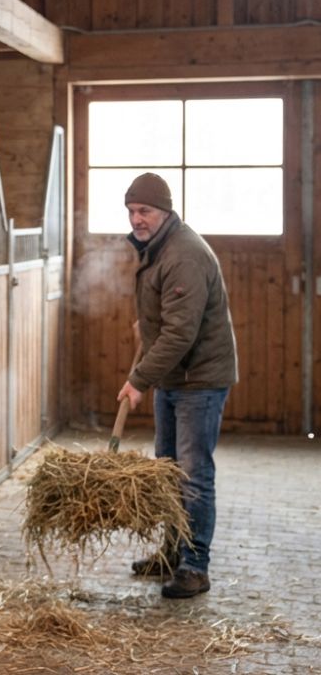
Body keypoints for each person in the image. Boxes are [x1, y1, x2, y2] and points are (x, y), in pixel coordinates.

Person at [116, 172, 238, 599]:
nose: (136, 219)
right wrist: (146, 323)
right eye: (131, 211)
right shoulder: (159, 246)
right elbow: (170, 315)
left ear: (165, 211)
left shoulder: (184, 254)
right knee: (168, 471)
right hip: (175, 376)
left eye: (144, 211)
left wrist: (138, 380)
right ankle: (171, 554)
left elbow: (181, 334)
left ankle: (195, 567)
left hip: (198, 380)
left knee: (193, 476)